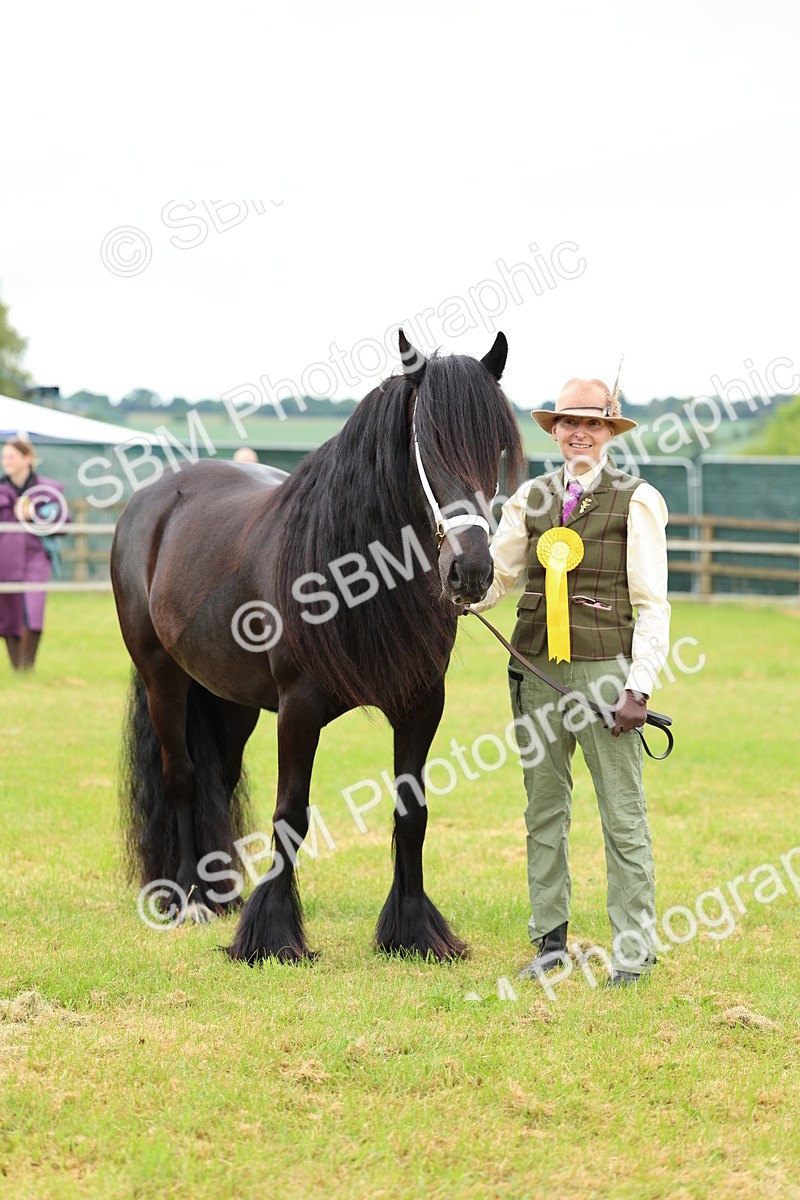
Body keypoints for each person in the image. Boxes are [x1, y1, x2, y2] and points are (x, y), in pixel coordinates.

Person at [473, 377, 670, 987]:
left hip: (608, 675)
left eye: (591, 424)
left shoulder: (637, 500)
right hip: (534, 672)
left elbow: (652, 602)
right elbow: (498, 579)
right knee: (543, 812)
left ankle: (634, 953)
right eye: (568, 424)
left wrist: (639, 688)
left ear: (609, 433)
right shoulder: (528, 499)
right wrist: (453, 590)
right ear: (554, 432)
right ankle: (549, 944)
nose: (578, 433)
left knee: (623, 815)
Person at [0, 438, 68, 671]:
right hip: (4, 558)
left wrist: (36, 515)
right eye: (4, 457)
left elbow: (63, 524)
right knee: (8, 613)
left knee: (33, 609)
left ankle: (27, 667)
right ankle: (17, 668)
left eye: (11, 457)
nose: (5, 461)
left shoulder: (49, 491)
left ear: (27, 459)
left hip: (36, 556)